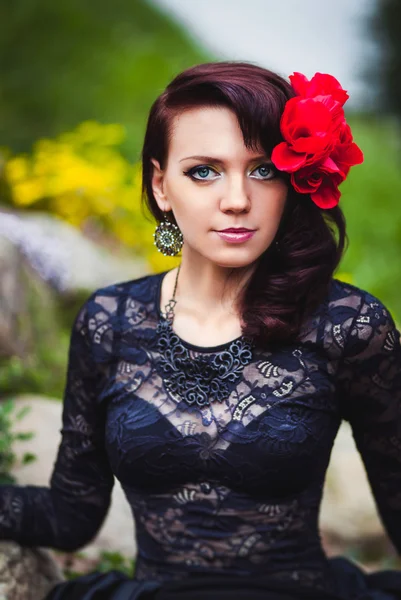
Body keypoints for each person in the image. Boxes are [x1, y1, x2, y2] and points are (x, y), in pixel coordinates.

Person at [1, 62, 400, 600]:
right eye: (204, 171)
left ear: (293, 182)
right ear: (161, 185)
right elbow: (72, 515)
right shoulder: (110, 321)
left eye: (262, 170)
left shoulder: (349, 324)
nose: (236, 199)